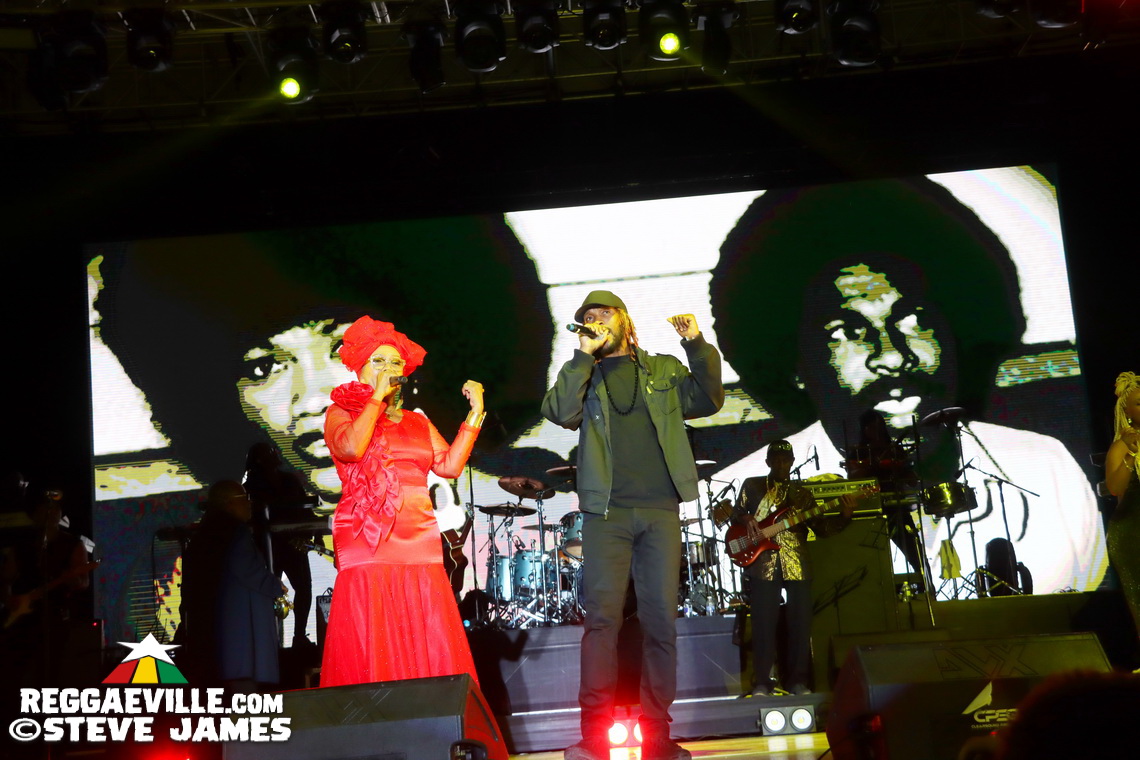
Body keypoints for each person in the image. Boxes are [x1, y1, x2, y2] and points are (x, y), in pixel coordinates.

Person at [711, 179, 1107, 596]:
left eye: (912, 319)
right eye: (848, 331)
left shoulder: (1044, 470)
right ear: (795, 363)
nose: (893, 356)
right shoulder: (739, 501)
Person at [542, 290, 724, 760]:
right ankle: (593, 738)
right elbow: (559, 412)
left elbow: (709, 399)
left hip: (660, 511)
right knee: (601, 623)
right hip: (606, 513)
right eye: (588, 317)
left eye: (603, 314)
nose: (596, 321)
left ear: (623, 319)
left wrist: (697, 345)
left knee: (660, 623)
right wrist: (582, 356)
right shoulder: (584, 374)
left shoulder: (662, 369)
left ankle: (658, 737)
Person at [319, 316, 486, 687]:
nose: (388, 368)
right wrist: (375, 400)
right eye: (377, 361)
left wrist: (474, 414)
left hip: (419, 536)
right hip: (368, 537)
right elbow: (351, 448)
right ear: (359, 367)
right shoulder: (341, 412)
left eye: (394, 362)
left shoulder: (416, 421)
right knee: (374, 630)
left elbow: (449, 466)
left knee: (426, 627)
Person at [733, 441, 856, 696]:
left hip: (797, 562)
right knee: (763, 623)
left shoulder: (803, 495)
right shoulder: (752, 486)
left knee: (800, 623)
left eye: (785, 459)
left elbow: (822, 529)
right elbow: (735, 515)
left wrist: (845, 515)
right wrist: (746, 518)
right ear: (767, 462)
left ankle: (798, 681)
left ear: (792, 462)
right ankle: (762, 682)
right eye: (776, 459)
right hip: (763, 562)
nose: (781, 464)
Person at [179, 480, 284, 691]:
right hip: (239, 635)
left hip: (213, 639)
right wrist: (275, 586)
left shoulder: (204, 533)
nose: (249, 504)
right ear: (228, 503)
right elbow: (248, 570)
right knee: (243, 690)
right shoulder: (236, 533)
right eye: (244, 498)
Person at [243, 441, 316, 650]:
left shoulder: (289, 481)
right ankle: (271, 639)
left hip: (291, 545)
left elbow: (305, 509)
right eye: (269, 453)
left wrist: (314, 532)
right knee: (268, 593)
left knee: (303, 589)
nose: (274, 455)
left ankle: (298, 636)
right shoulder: (249, 489)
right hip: (266, 549)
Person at [849, 409, 928, 592]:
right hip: (870, 510)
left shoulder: (895, 449)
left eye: (879, 426)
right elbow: (853, 478)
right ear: (864, 429)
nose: (876, 431)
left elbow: (912, 480)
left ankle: (925, 589)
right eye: (871, 427)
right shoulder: (858, 452)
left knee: (914, 552)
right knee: (871, 556)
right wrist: (876, 463)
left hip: (896, 507)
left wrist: (903, 466)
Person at [1105, 371, 1140, 643]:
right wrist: (1130, 455)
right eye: (1139, 403)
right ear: (1126, 412)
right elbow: (1115, 488)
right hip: (1132, 533)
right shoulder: (1122, 446)